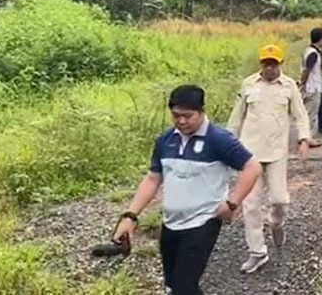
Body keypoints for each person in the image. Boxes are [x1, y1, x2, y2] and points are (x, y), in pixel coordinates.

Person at [111, 85, 261, 295]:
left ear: (202, 111)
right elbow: (153, 178)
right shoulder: (166, 140)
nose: (181, 121)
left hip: (203, 221)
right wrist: (130, 216)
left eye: (188, 116)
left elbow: (252, 167)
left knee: (183, 287)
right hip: (171, 223)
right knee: (174, 286)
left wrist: (232, 203)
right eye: (176, 116)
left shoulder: (219, 139)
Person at [227, 45, 312, 274]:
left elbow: (300, 115)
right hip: (249, 154)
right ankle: (257, 252)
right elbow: (236, 117)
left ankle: (276, 223)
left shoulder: (289, 86)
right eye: (266, 63)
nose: (270, 67)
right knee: (251, 204)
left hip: (276, 153)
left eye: (274, 63)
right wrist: (226, 145)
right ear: (260, 64)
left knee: (279, 199)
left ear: (281, 64)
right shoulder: (248, 85)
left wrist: (304, 139)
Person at [299, 28, 322, 147]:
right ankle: (308, 138)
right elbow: (307, 70)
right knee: (310, 114)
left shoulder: (308, 50)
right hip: (312, 87)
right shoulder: (313, 54)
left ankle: (304, 137)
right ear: (320, 39)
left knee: (306, 113)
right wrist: (303, 83)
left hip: (310, 86)